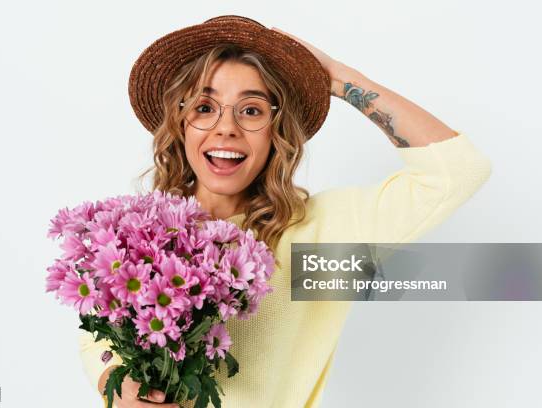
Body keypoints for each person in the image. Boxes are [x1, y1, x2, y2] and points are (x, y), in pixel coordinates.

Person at [79, 15, 492, 408]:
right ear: (180, 123)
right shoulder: (142, 236)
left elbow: (457, 172)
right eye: (205, 107)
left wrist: (339, 80)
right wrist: (114, 383)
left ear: (278, 133)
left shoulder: (317, 239)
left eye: (252, 110)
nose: (227, 127)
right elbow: (97, 333)